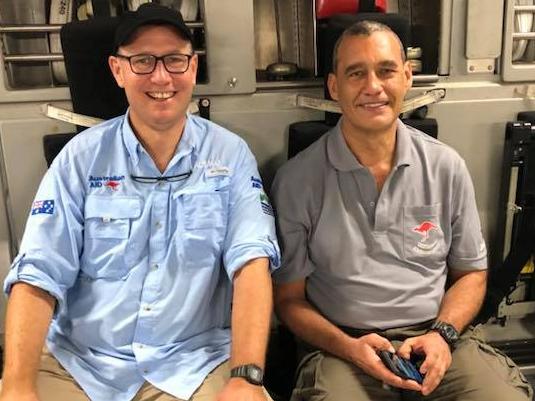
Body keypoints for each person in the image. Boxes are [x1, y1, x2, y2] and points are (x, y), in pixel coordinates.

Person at [0, 4, 279, 401]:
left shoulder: (231, 157)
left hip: (193, 364)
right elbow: (37, 274)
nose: (161, 76)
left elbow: (252, 265)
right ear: (118, 71)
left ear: (193, 68)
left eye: (175, 60)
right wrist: (17, 386)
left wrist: (246, 377)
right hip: (80, 366)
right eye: (143, 61)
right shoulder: (79, 160)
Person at [271, 20, 533, 401]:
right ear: (334, 86)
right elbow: (289, 300)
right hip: (342, 346)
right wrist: (349, 347)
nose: (373, 87)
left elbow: (471, 275)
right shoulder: (297, 180)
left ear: (407, 77)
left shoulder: (446, 167)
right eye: (356, 73)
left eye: (386, 70)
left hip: (439, 337)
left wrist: (442, 335)